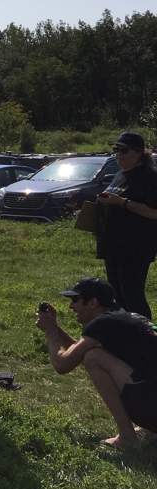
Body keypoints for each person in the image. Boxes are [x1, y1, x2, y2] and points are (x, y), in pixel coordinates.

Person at [36, 276, 157, 450]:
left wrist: (50, 332)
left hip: (151, 407)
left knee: (94, 359)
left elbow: (62, 364)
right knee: (93, 356)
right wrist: (55, 327)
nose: (71, 306)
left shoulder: (103, 323)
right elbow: (77, 353)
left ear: (93, 302)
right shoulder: (123, 318)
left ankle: (127, 436)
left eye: (75, 300)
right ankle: (149, 430)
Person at [95, 132, 157, 318]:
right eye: (116, 150)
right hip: (113, 245)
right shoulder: (120, 175)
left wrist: (122, 202)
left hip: (136, 246)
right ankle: (125, 336)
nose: (119, 155)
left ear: (138, 153)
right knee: (117, 296)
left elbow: (154, 212)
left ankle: (147, 338)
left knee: (132, 296)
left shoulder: (150, 177)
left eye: (124, 151)